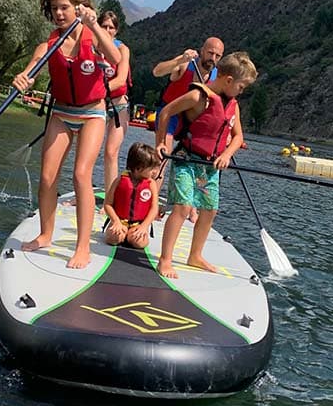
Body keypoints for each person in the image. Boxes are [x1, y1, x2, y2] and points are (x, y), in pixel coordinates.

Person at [12, 0, 121, 269]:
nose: (59, 13)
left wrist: (94, 24)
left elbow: (116, 58)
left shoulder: (93, 37)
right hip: (61, 113)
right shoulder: (48, 44)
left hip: (92, 114)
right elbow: (31, 71)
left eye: (64, 7)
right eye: (54, 8)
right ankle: (45, 235)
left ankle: (82, 247)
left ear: (78, 7)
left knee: (81, 174)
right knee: (47, 177)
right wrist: (23, 78)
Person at [155, 51, 257, 279]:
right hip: (186, 160)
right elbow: (166, 112)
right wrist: (161, 142)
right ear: (228, 80)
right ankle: (165, 259)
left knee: (210, 210)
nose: (241, 92)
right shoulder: (198, 96)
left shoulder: (233, 105)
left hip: (210, 167)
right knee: (182, 208)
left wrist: (227, 154)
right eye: (241, 87)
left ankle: (195, 255)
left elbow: (238, 137)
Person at [153, 36, 224, 219]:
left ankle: (192, 208)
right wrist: (179, 61)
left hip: (191, 120)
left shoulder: (217, 77)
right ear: (202, 50)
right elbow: (157, 71)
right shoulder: (187, 63)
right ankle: (151, 204)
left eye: (217, 56)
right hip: (170, 114)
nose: (212, 58)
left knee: (196, 161)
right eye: (210, 53)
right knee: (163, 158)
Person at [98, 9, 131, 191]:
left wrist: (96, 92)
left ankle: (110, 195)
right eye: (104, 26)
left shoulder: (122, 49)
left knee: (111, 152)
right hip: (97, 105)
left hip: (119, 105)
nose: (107, 30)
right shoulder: (92, 46)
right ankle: (82, 191)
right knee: (89, 152)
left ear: (116, 31)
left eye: (111, 27)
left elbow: (120, 79)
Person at [103, 142, 158, 248]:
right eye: (151, 169)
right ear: (138, 168)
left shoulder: (151, 184)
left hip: (138, 224)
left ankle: (130, 235)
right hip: (120, 221)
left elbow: (154, 208)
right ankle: (123, 234)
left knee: (139, 243)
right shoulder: (119, 180)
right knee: (113, 238)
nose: (154, 172)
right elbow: (107, 204)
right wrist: (116, 221)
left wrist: (144, 226)